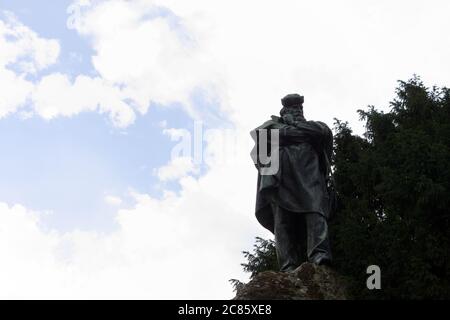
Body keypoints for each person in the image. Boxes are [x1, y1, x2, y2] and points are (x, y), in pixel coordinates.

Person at [250, 93, 334, 272]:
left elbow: (323, 133)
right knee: (282, 222)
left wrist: (294, 126)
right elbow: (262, 141)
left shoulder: (315, 126)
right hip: (279, 180)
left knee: (316, 213)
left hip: (309, 176)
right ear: (283, 112)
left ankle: (320, 256)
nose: (296, 111)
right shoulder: (270, 127)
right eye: (291, 109)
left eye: (298, 109)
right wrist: (294, 133)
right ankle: (288, 265)